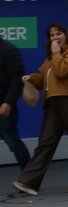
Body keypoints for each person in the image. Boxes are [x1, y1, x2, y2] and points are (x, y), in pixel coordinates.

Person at [12, 23, 68, 195]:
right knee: (45, 142)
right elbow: (43, 77)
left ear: (66, 35)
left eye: (58, 34)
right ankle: (28, 182)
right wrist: (31, 78)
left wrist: (56, 52)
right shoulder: (50, 57)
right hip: (53, 104)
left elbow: (62, 71)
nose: (55, 38)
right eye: (52, 35)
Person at [0, 36, 31, 168]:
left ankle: (29, 177)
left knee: (13, 143)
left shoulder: (8, 49)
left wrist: (8, 102)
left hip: (3, 105)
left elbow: (17, 79)